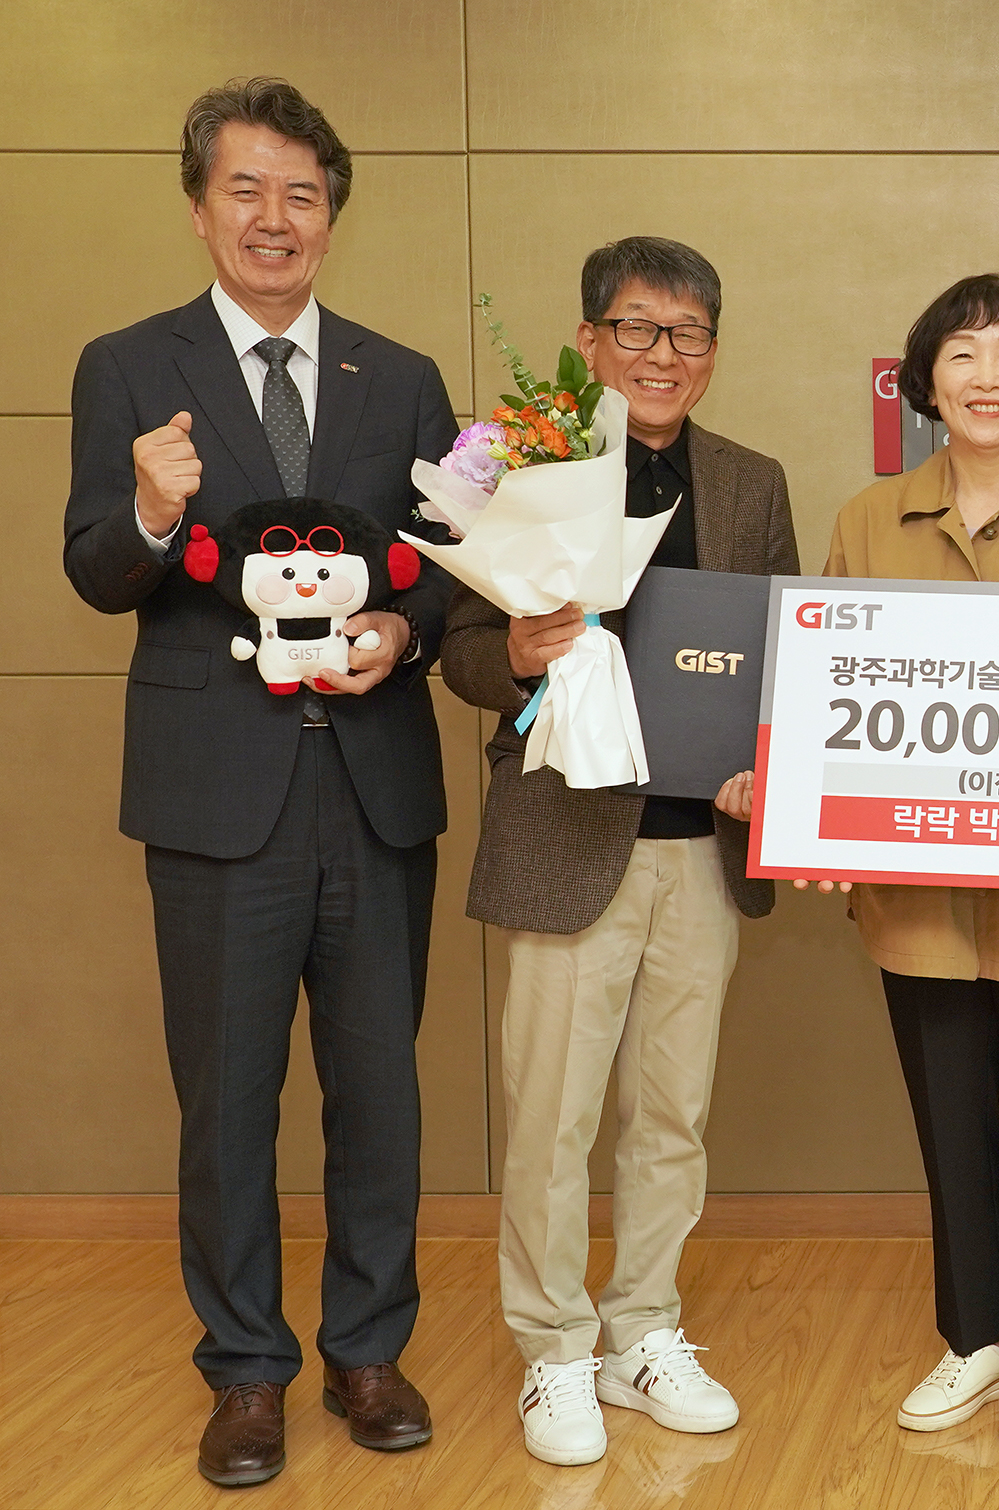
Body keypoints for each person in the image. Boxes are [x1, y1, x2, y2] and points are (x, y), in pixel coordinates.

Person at [60, 77, 456, 1488]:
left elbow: (447, 574)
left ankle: (367, 1348)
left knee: (379, 1089)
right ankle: (243, 1368)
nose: (275, 216)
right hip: (216, 795)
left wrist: (403, 633)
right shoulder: (127, 365)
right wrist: (151, 508)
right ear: (199, 206)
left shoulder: (400, 377)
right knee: (226, 1100)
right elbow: (95, 568)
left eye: (302, 192)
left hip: (375, 785)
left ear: (330, 214)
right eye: (247, 188)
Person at [750, 273, 999, 1455]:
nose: (986, 376)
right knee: (949, 1130)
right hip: (918, 902)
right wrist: (815, 822)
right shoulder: (868, 517)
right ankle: (974, 1334)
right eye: (962, 353)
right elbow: (828, 700)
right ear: (923, 381)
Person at [439, 237, 797, 1467]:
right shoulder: (525, 466)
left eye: (688, 333)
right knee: (551, 1116)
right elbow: (461, 651)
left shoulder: (750, 481)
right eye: (638, 328)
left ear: (712, 352)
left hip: (702, 844)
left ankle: (644, 1327)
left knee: (672, 1113)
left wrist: (769, 764)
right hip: (566, 844)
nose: (663, 354)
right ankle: (553, 1346)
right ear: (589, 341)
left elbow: (782, 656)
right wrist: (516, 654)